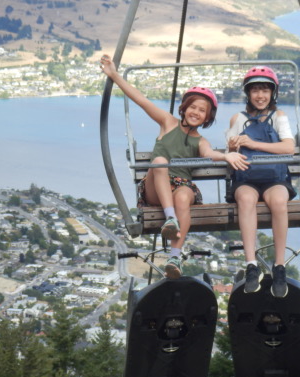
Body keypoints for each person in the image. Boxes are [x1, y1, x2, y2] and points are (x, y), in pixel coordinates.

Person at [100, 54, 248, 279]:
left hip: (182, 187)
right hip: (156, 188)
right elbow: (140, 100)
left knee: (183, 197)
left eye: (202, 111)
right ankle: (170, 218)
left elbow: (209, 155)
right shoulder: (168, 123)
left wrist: (227, 156)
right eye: (193, 107)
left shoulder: (201, 141)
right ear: (184, 108)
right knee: (159, 162)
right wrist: (114, 75)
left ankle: (175, 256)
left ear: (207, 118)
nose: (196, 113)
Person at [226, 66, 297, 298]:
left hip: (274, 178)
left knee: (278, 201)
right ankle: (251, 264)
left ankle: (279, 266)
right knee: (246, 199)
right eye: (255, 90)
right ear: (248, 93)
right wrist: (233, 146)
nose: (260, 95)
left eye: (265, 90)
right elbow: (230, 149)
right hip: (246, 177)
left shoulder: (279, 117)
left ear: (272, 93)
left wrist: (254, 144)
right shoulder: (238, 119)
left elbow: (289, 147)